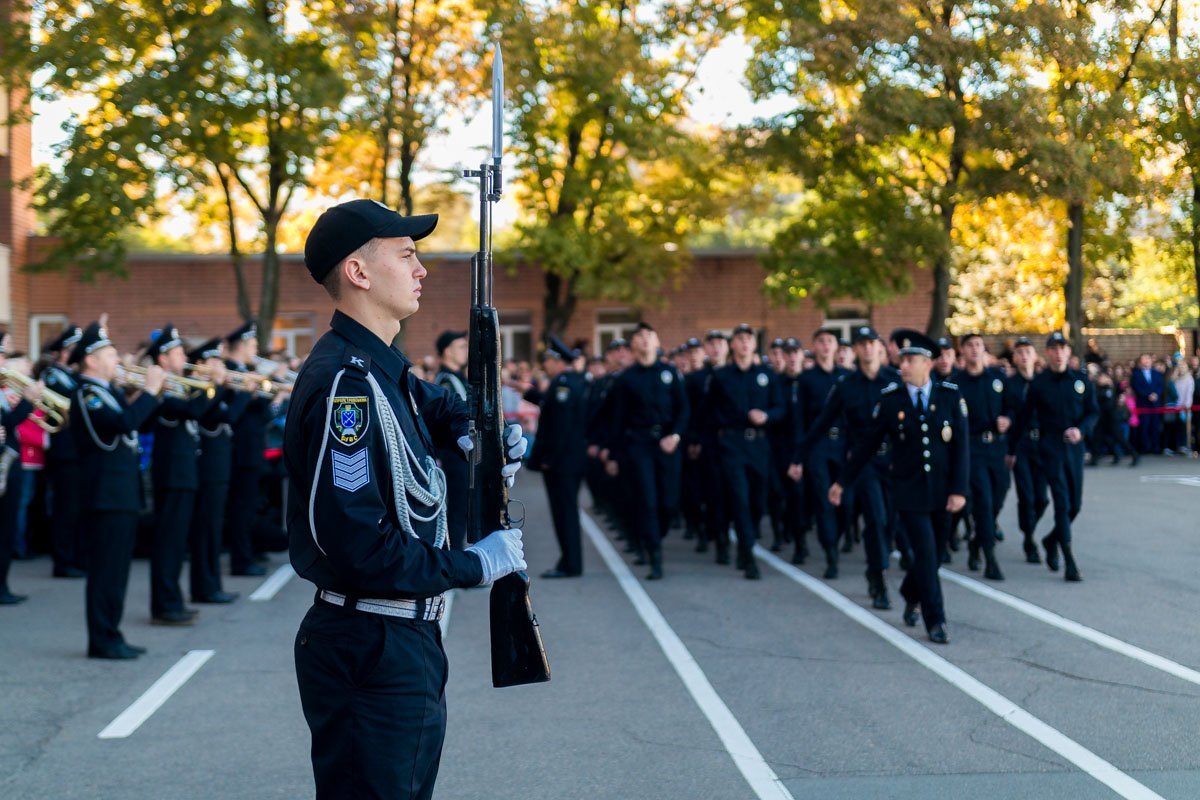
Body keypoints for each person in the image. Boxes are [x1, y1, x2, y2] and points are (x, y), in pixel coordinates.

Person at [287, 199, 527, 800]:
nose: (421, 270)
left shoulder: (378, 368)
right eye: (407, 255)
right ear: (359, 273)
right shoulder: (348, 386)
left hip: (398, 640)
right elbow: (362, 548)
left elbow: (430, 403)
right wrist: (475, 564)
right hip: (372, 645)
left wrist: (483, 428)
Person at [829, 330, 968, 644]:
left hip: (943, 492)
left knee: (932, 554)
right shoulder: (892, 400)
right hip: (909, 493)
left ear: (928, 364)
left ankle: (909, 590)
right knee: (927, 553)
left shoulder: (949, 396)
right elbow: (867, 446)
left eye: (911, 360)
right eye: (902, 359)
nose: (903, 365)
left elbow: (961, 449)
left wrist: (959, 490)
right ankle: (936, 620)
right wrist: (843, 481)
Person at [71, 321, 165, 656]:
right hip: (105, 495)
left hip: (121, 493)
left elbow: (135, 422)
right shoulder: (87, 394)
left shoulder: (107, 392)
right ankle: (102, 640)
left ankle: (113, 633)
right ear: (91, 360)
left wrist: (148, 397)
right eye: (110, 355)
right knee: (105, 572)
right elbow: (122, 424)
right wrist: (150, 392)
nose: (117, 361)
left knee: (118, 571)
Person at [794, 326, 900, 608]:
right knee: (875, 519)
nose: (867, 349)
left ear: (880, 348)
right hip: (862, 463)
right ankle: (878, 579)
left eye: (871, 344)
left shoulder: (896, 381)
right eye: (861, 344)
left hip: (895, 461)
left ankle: (878, 565)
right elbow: (822, 423)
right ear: (854, 350)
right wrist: (798, 456)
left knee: (894, 522)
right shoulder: (846, 385)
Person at [1008, 332, 1098, 582]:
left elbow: (1093, 412)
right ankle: (1068, 558)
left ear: (1069, 352)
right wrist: (1011, 449)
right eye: (1053, 349)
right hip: (1050, 448)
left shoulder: (1080, 380)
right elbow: (1024, 419)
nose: (1058, 354)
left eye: (1062, 349)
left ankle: (1050, 540)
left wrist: (1081, 430)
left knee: (1075, 505)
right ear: (1047, 353)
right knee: (1061, 502)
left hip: (1074, 448)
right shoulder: (1039, 384)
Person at [606, 322, 689, 580]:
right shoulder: (626, 379)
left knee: (668, 502)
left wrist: (675, 435)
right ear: (633, 344)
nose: (643, 340)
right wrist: (614, 455)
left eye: (648, 335)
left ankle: (656, 535)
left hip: (666, 443)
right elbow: (617, 420)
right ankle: (655, 557)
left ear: (656, 341)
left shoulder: (670, 373)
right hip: (638, 445)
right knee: (648, 501)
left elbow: (683, 409)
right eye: (638, 336)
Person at [146, 324, 214, 625]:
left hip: (184, 472)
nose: (183, 355)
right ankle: (165, 605)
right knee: (168, 541)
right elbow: (194, 411)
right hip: (172, 473)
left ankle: (172, 599)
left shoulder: (178, 384)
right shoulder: (163, 388)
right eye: (176, 352)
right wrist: (211, 384)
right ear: (162, 359)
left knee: (176, 542)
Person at [707, 323, 783, 580]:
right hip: (732, 444)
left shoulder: (766, 375)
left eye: (748, 339)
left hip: (759, 444)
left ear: (753, 344)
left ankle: (745, 541)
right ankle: (748, 553)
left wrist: (767, 416)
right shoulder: (721, 376)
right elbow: (711, 411)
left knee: (758, 502)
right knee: (739, 498)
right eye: (739, 339)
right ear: (733, 344)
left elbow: (780, 407)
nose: (744, 343)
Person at [187, 338, 242, 604]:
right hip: (207, 468)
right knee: (205, 528)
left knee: (214, 528)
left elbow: (229, 413)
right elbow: (206, 413)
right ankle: (204, 586)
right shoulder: (201, 391)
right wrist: (220, 386)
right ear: (200, 365)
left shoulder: (213, 390)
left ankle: (212, 583)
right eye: (213, 361)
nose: (220, 366)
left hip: (219, 467)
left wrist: (236, 389)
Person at [528, 338, 588, 578]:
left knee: (565, 514)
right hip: (567, 460)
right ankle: (569, 561)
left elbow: (559, 428)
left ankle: (571, 564)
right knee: (566, 513)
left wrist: (548, 459)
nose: (546, 365)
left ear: (557, 361)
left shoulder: (563, 384)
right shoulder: (567, 382)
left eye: (548, 360)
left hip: (562, 462)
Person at [795, 327, 851, 578]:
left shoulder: (848, 377)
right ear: (815, 346)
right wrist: (798, 456)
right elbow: (800, 420)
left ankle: (837, 538)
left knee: (846, 504)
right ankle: (831, 553)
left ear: (837, 347)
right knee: (823, 499)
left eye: (830, 341)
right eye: (821, 342)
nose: (826, 346)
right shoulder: (806, 379)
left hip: (844, 446)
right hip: (817, 445)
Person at [953, 333, 1008, 581]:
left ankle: (977, 540)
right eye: (970, 346)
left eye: (979, 345)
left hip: (996, 449)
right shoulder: (956, 384)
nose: (975, 349)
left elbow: (1013, 405)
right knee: (984, 502)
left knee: (998, 498)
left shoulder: (997, 378)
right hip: (972, 450)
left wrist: (1009, 419)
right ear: (962, 351)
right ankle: (990, 557)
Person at [224, 321, 275, 576]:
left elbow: (263, 414)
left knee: (250, 505)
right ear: (242, 345)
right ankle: (240, 559)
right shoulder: (228, 372)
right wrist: (248, 392)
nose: (255, 349)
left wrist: (262, 395)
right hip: (239, 451)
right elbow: (230, 415)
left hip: (253, 449)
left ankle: (250, 551)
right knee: (240, 507)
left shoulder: (247, 372)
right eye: (253, 344)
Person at [41, 324, 87, 578]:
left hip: (78, 450)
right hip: (64, 451)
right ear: (61, 353)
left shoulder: (75, 376)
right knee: (66, 510)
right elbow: (72, 399)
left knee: (79, 509)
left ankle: (79, 557)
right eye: (71, 350)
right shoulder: (54, 374)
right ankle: (63, 561)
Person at [0, 338, 43, 604]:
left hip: (10, 464)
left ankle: (3, 584)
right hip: (6, 463)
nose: (3, 362)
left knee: (6, 529)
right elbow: (10, 422)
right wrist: (27, 403)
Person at [1004, 337, 1049, 563]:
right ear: (1014, 357)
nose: (1023, 356)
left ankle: (1029, 526)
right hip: (1020, 445)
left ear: (1035, 355)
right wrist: (1009, 450)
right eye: (1019, 352)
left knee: (1042, 499)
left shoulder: (1043, 382)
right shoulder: (1009, 384)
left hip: (1041, 445)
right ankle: (1029, 537)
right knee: (1027, 496)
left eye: (1027, 352)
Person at [433, 330, 470, 549]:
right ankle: (455, 559)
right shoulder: (446, 381)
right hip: (454, 453)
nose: (465, 350)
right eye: (461, 347)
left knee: (463, 509)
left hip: (461, 452)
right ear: (447, 352)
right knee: (458, 509)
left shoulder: (459, 378)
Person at [1130, 353, 1164, 454]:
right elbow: (1136, 387)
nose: (1146, 361)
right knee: (1144, 427)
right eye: (1144, 359)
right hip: (1143, 405)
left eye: (1148, 358)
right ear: (1141, 361)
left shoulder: (1157, 373)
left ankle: (1155, 448)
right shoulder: (1136, 374)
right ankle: (1144, 448)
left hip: (1155, 404)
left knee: (1155, 427)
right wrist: (1147, 395)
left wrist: (1156, 395)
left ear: (1151, 360)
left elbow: (1160, 386)